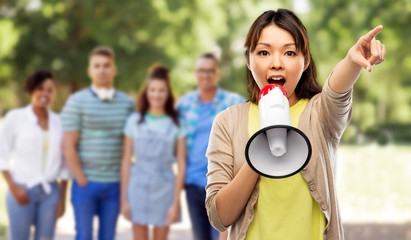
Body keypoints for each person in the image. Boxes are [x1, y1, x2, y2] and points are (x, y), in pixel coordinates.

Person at [205, 9, 385, 240]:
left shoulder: (320, 114)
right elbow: (220, 217)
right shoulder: (228, 122)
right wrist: (259, 154)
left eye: (289, 52)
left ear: (305, 61)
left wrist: (352, 61)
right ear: (249, 61)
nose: (277, 63)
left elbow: (337, 90)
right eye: (263, 52)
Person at [61, 46, 134, 240]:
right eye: (97, 66)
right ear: (90, 71)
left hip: (114, 185)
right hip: (86, 184)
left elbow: (129, 147)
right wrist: (81, 179)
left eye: (106, 66)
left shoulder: (127, 104)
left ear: (114, 70)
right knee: (83, 236)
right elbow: (68, 145)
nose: (102, 70)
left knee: (108, 236)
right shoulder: (76, 101)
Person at [177, 53, 245, 240]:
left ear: (218, 74)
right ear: (195, 74)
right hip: (193, 185)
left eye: (210, 71)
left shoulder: (234, 102)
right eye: (201, 71)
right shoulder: (184, 105)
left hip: (223, 184)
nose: (205, 75)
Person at [0, 70, 70, 240]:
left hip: (50, 192)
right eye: (40, 88)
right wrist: (14, 187)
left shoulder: (60, 122)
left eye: (50, 90)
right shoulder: (15, 118)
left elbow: (65, 162)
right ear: (31, 90)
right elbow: (1, 153)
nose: (45, 94)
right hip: (23, 188)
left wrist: (62, 197)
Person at [120, 64, 186, 240]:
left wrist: (176, 202)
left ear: (168, 93)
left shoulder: (177, 124)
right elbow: (126, 160)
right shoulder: (133, 122)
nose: (156, 94)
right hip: (137, 186)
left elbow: (181, 164)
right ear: (146, 92)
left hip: (165, 188)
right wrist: (124, 199)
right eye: (153, 90)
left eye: (161, 90)